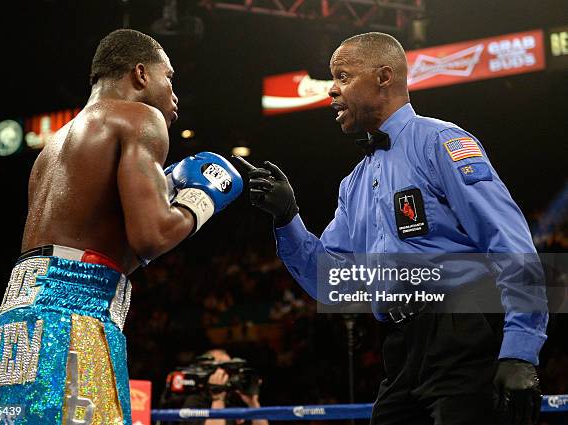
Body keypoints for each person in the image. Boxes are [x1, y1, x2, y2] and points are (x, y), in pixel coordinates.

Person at [234, 32, 547, 425]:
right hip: (398, 348)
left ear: (384, 76)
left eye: (343, 76)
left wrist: (520, 349)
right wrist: (287, 218)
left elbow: (510, 242)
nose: (331, 90)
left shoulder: (441, 142)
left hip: (462, 333)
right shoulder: (353, 184)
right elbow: (332, 284)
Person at [0, 29, 243, 424]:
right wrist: (201, 199)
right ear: (140, 74)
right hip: (72, 322)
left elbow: (97, 252)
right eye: (168, 77)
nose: (174, 95)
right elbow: (152, 237)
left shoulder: (52, 149)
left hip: (11, 331)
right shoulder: (140, 118)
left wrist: (164, 191)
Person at [180, 349, 269, 425]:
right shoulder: (194, 401)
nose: (229, 374)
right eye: (224, 368)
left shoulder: (236, 398)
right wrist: (218, 399)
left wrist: (253, 404)